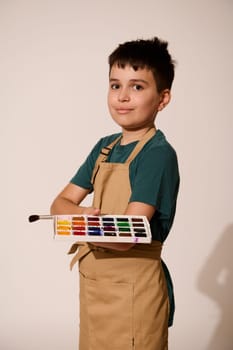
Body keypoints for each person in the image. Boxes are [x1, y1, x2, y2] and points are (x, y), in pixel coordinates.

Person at [50, 37, 180, 350]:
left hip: (133, 292)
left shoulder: (157, 154)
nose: (122, 97)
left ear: (162, 98)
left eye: (137, 87)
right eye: (114, 85)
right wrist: (83, 217)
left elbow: (126, 235)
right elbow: (57, 205)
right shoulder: (104, 148)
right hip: (96, 286)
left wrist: (75, 223)